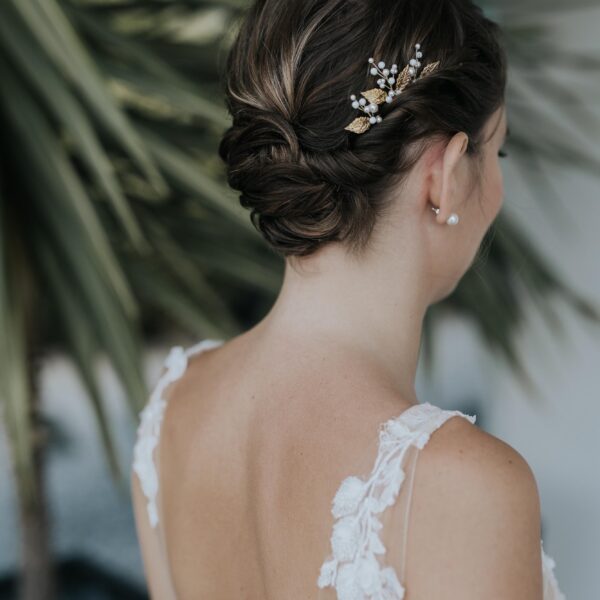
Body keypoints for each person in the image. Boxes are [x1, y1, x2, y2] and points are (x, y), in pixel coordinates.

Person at [131, 0, 566, 597]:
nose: (499, 184)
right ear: (443, 177)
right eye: (498, 152)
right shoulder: (465, 488)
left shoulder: (171, 411)